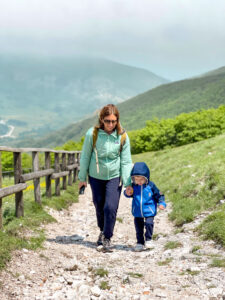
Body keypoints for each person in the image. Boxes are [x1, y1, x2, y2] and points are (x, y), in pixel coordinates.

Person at [78, 104, 132, 251]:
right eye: (107, 121)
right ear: (101, 119)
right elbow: (85, 156)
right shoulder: (92, 134)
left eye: (113, 121)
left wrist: (128, 183)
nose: (110, 124)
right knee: (99, 204)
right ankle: (102, 230)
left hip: (114, 176)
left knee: (110, 207)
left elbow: (126, 161)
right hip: (95, 177)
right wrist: (82, 177)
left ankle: (107, 237)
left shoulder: (122, 136)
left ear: (117, 121)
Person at [124, 162, 166, 252]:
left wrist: (162, 203)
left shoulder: (151, 186)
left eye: (141, 179)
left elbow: (159, 195)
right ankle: (140, 243)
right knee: (138, 228)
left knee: (149, 224)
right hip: (137, 212)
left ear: (146, 177)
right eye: (136, 179)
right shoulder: (133, 186)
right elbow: (128, 194)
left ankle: (149, 240)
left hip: (149, 210)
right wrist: (127, 193)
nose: (138, 182)